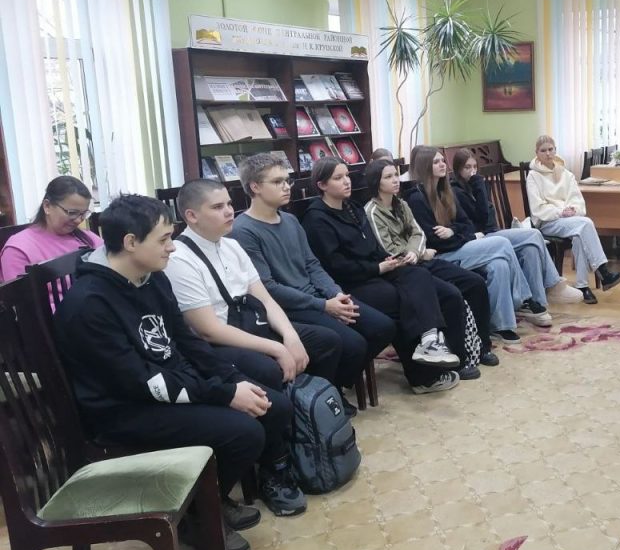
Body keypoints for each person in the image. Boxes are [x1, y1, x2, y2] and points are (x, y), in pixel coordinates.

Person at [53, 194, 306, 550]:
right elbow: (141, 382)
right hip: (122, 410)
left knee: (274, 405)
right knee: (244, 432)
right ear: (131, 242)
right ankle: (198, 518)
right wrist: (224, 394)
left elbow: (187, 342)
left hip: (165, 384)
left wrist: (230, 378)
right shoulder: (89, 304)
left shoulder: (151, 277)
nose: (172, 247)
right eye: (164, 239)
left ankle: (211, 496)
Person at [228, 153, 396, 407]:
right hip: (288, 307)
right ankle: (326, 396)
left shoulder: (290, 220)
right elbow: (268, 288)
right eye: (277, 182)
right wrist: (324, 306)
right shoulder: (243, 231)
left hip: (318, 298)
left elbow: (312, 264)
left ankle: (333, 385)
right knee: (351, 344)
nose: (287, 187)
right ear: (255, 187)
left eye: (287, 181)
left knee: (382, 327)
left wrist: (335, 294)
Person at [302, 157, 486, 388]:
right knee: (403, 301)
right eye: (338, 178)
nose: (347, 181)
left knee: (438, 287)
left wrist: (387, 260)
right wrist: (378, 267)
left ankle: (439, 349)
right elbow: (335, 265)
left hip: (377, 270)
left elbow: (373, 246)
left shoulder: (352, 208)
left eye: (347, 175)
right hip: (352, 282)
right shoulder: (316, 219)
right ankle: (423, 378)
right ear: (322, 185)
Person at [163, 179, 346, 401]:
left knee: (327, 341)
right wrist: (276, 348)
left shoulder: (231, 245)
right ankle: (286, 414)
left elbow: (265, 299)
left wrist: (289, 335)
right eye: (218, 207)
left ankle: (312, 406)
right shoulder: (179, 258)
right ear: (192, 216)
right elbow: (209, 331)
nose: (229, 211)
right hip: (221, 342)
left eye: (229, 204)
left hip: (253, 323)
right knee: (268, 368)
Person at [364, 158, 498, 370]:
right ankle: (459, 359)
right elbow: (388, 249)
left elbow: (418, 233)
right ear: (376, 183)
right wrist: (417, 253)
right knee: (451, 295)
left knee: (475, 282)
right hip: (404, 269)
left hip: (419, 260)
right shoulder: (372, 211)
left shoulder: (401, 204)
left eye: (396, 175)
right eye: (388, 177)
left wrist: (415, 251)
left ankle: (482, 346)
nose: (395, 180)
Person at [407, 147, 544, 344]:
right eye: (436, 162)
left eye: (442, 160)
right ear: (425, 167)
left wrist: (453, 232)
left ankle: (500, 325)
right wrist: (462, 236)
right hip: (441, 256)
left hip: (458, 247)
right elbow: (435, 241)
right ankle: (525, 297)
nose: (442, 164)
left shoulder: (446, 192)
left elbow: (466, 225)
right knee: (502, 243)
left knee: (499, 264)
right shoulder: (417, 198)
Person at [450, 148, 583, 308]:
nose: (472, 172)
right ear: (458, 170)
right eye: (467, 167)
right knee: (533, 235)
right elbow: (483, 218)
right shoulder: (457, 191)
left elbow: (489, 216)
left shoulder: (475, 186)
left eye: (474, 167)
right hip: (482, 237)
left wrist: (480, 191)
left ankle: (538, 302)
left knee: (531, 249)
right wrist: (479, 188)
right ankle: (553, 284)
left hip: (492, 232)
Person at [526, 136, 620, 303]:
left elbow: (577, 199)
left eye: (550, 149)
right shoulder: (533, 176)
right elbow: (537, 208)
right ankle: (603, 272)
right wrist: (560, 212)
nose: (548, 153)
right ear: (536, 153)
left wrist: (573, 209)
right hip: (548, 222)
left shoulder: (566, 174)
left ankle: (582, 286)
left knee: (580, 235)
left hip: (570, 221)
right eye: (543, 150)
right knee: (586, 224)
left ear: (555, 150)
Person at [0, 175, 102, 281]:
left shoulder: (87, 238)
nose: (78, 220)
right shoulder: (19, 249)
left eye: (83, 214)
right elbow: (19, 291)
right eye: (72, 213)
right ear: (47, 206)